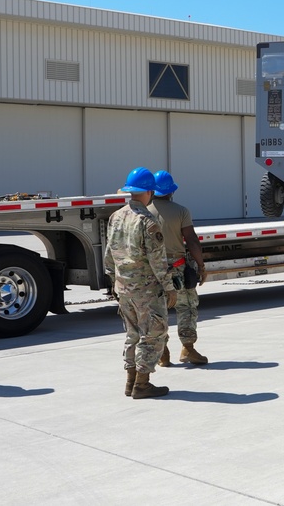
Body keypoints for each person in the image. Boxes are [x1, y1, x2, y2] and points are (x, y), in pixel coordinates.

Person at [104, 167, 177, 398]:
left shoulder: (116, 216)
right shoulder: (147, 221)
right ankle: (142, 384)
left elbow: (108, 256)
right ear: (148, 192)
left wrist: (114, 283)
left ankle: (130, 381)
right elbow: (158, 261)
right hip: (146, 290)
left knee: (132, 334)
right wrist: (169, 287)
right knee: (153, 333)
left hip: (123, 288)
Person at [148, 170, 209, 367]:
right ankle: (188, 349)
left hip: (153, 271)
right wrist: (201, 266)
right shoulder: (181, 211)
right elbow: (191, 241)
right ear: (171, 191)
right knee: (186, 308)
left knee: (158, 312)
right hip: (177, 269)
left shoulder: (144, 212)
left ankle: (162, 353)